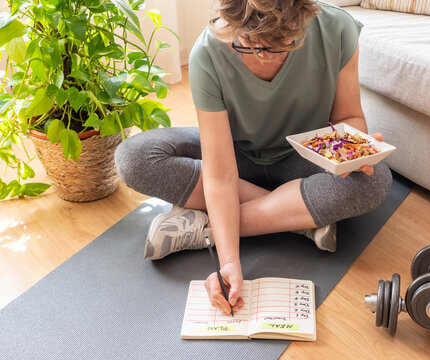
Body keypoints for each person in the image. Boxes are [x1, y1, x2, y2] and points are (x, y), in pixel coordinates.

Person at [114, 0, 392, 315]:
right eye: (250, 46)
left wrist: (354, 150)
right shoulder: (208, 53)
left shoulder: (337, 28)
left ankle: (204, 228)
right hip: (236, 157)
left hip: (304, 158)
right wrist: (230, 261)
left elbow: (349, 117)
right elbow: (219, 175)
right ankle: (297, 217)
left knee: (375, 178)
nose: (264, 57)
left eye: (285, 45)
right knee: (134, 157)